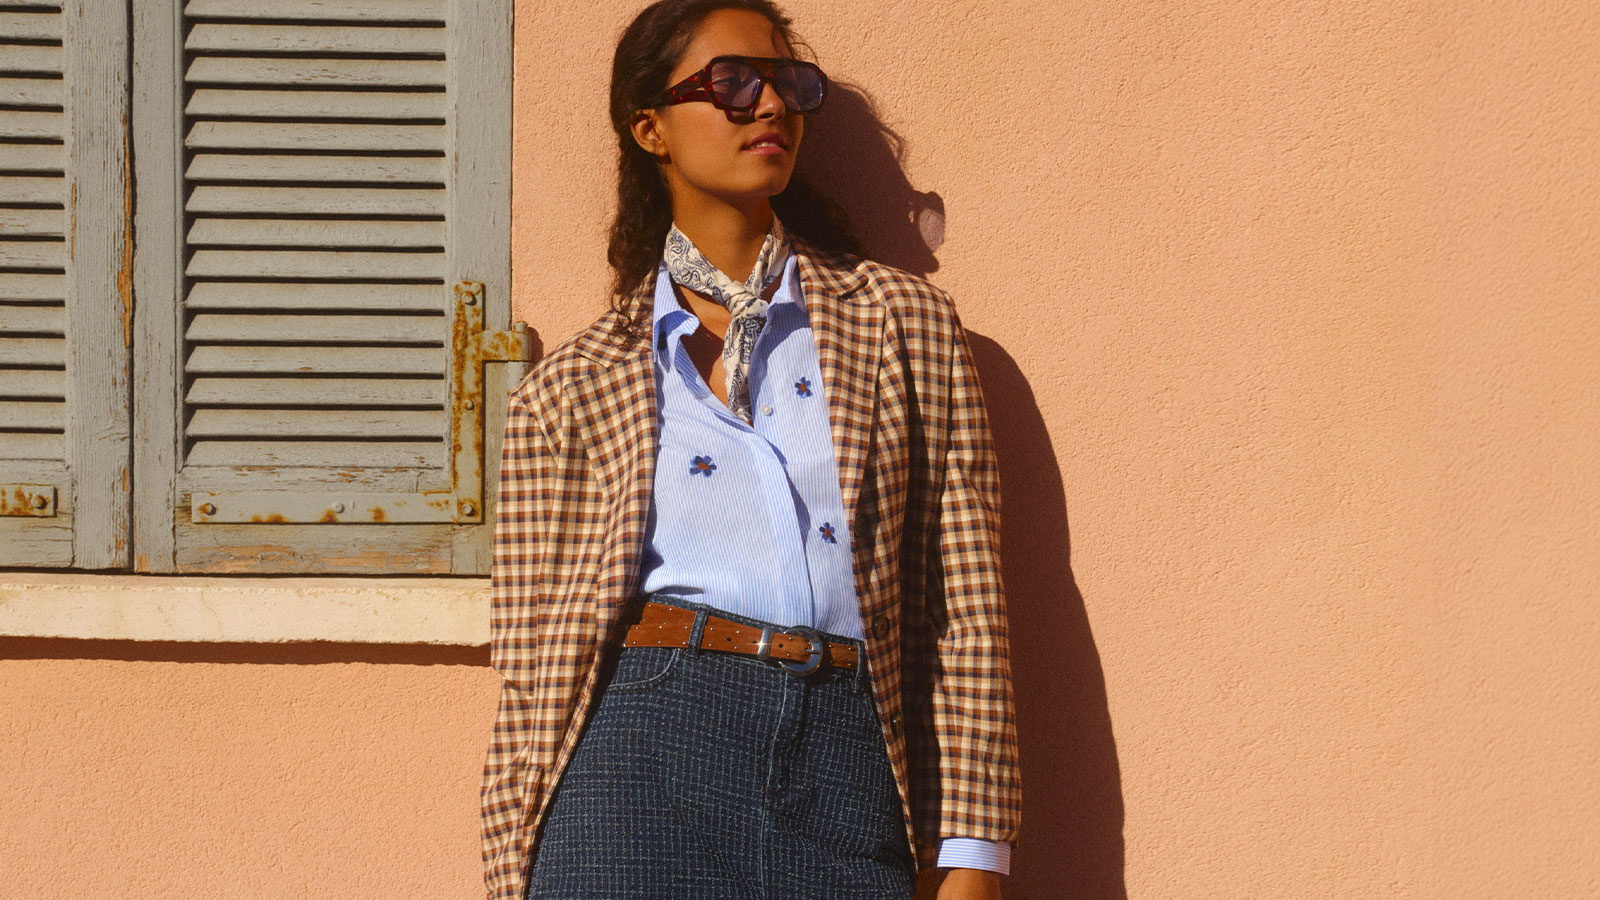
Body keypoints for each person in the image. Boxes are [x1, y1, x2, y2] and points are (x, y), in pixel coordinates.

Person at [479, 2, 1020, 898]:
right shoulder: (570, 390)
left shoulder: (901, 324)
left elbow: (963, 599)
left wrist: (976, 851)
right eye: (730, 82)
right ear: (649, 127)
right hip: (639, 768)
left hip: (848, 762)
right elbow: (534, 669)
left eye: (786, 84)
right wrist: (510, 870)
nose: (769, 105)